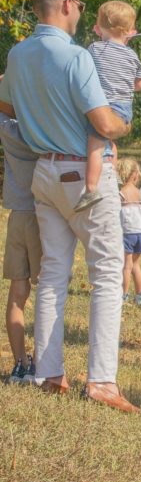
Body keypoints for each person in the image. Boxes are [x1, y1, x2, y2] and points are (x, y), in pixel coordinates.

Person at [0, 0, 135, 411]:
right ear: (66, 6)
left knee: (54, 274)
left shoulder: (17, 54)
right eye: (79, 4)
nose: (80, 11)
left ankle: (49, 373)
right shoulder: (76, 58)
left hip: (44, 173)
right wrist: (124, 124)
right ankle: (102, 382)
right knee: (108, 274)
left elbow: (6, 103)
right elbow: (105, 122)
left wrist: (38, 114)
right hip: (83, 172)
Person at [75, 1, 141, 212]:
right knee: (109, 143)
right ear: (131, 32)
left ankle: (91, 188)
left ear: (98, 28)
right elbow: (139, 85)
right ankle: (111, 178)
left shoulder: (95, 49)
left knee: (94, 145)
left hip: (103, 106)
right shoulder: (133, 56)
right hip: (124, 108)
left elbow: (85, 73)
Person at [0, 110, 41, 384]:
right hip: (42, 215)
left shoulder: (6, 128)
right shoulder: (41, 125)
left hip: (17, 216)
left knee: (17, 294)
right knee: (49, 291)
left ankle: (19, 363)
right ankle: (41, 361)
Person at [117, 158, 141, 307]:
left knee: (126, 266)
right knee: (136, 264)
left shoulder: (121, 193)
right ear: (135, 174)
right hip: (140, 232)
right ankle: (140, 295)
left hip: (126, 233)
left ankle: (124, 294)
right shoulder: (139, 194)